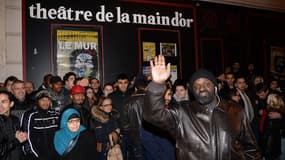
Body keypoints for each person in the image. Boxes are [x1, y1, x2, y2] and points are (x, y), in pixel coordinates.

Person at [143, 55, 261, 160]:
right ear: (193, 91)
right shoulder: (182, 112)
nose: (202, 88)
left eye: (206, 83)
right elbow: (153, 115)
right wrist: (157, 84)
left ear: (215, 87)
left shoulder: (235, 111)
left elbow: (251, 149)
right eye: (197, 85)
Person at [21, 90, 60, 160]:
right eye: (42, 100)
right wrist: (36, 156)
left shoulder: (55, 114)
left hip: (54, 156)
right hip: (36, 156)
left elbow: (60, 135)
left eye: (48, 100)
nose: (45, 102)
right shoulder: (30, 115)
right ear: (37, 101)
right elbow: (26, 139)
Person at [0, 90, 27, 160]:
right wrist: (17, 141)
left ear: (11, 104)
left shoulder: (15, 119)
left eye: (3, 102)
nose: (0, 105)